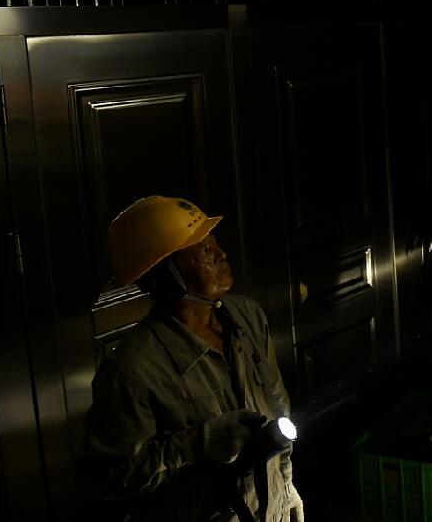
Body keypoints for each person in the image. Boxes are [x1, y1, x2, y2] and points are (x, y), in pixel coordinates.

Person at [85, 195, 304, 522]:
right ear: (162, 277)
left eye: (213, 241)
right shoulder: (132, 369)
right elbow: (110, 478)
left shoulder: (246, 317)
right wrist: (195, 443)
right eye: (202, 251)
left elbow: (277, 405)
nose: (221, 254)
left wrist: (286, 488)